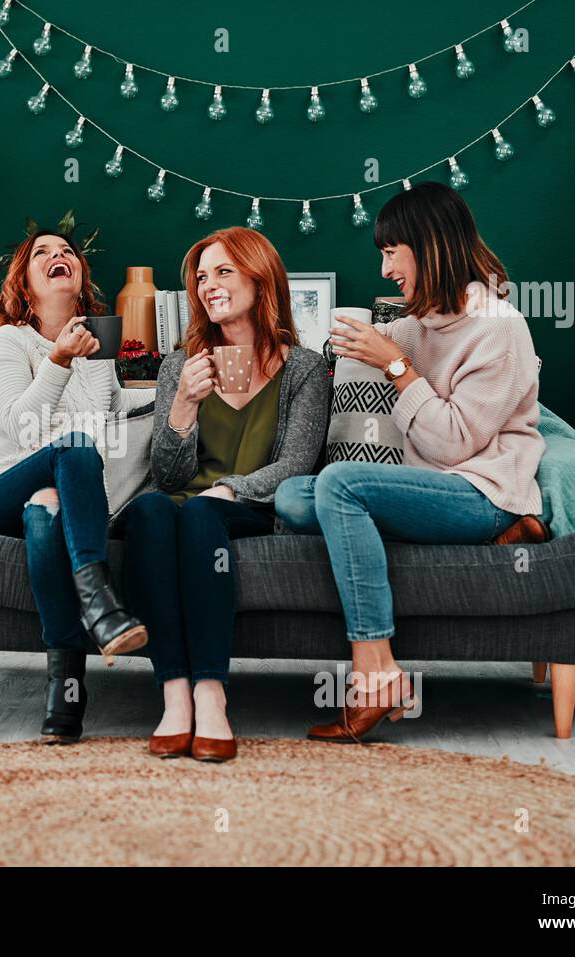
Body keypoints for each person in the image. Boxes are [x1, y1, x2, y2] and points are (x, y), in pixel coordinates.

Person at [274, 181, 546, 743]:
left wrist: (397, 367)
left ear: (428, 245)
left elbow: (453, 445)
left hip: (478, 491)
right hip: (426, 492)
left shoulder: (500, 327)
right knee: (293, 496)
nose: (383, 270)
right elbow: (347, 352)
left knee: (341, 485)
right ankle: (373, 537)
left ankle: (376, 670)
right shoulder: (420, 322)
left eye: (390, 252)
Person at [114, 226, 330, 762]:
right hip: (181, 505)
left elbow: (296, 465)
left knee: (201, 517)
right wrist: (183, 405)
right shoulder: (177, 366)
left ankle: (211, 695)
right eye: (202, 277)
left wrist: (231, 490)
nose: (209, 285)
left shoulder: (304, 368)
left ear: (261, 279)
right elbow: (166, 477)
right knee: (149, 511)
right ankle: (174, 695)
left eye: (223, 272)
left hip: (249, 509)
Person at [0, 229, 154, 744]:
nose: (58, 256)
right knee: (73, 447)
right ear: (23, 282)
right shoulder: (8, 341)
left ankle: (65, 689)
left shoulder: (98, 350)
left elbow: (110, 416)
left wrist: (171, 394)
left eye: (67, 252)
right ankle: (100, 603)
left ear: (81, 277)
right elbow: (21, 426)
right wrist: (59, 360)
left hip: (50, 499)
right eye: (42, 253)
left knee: (46, 511)